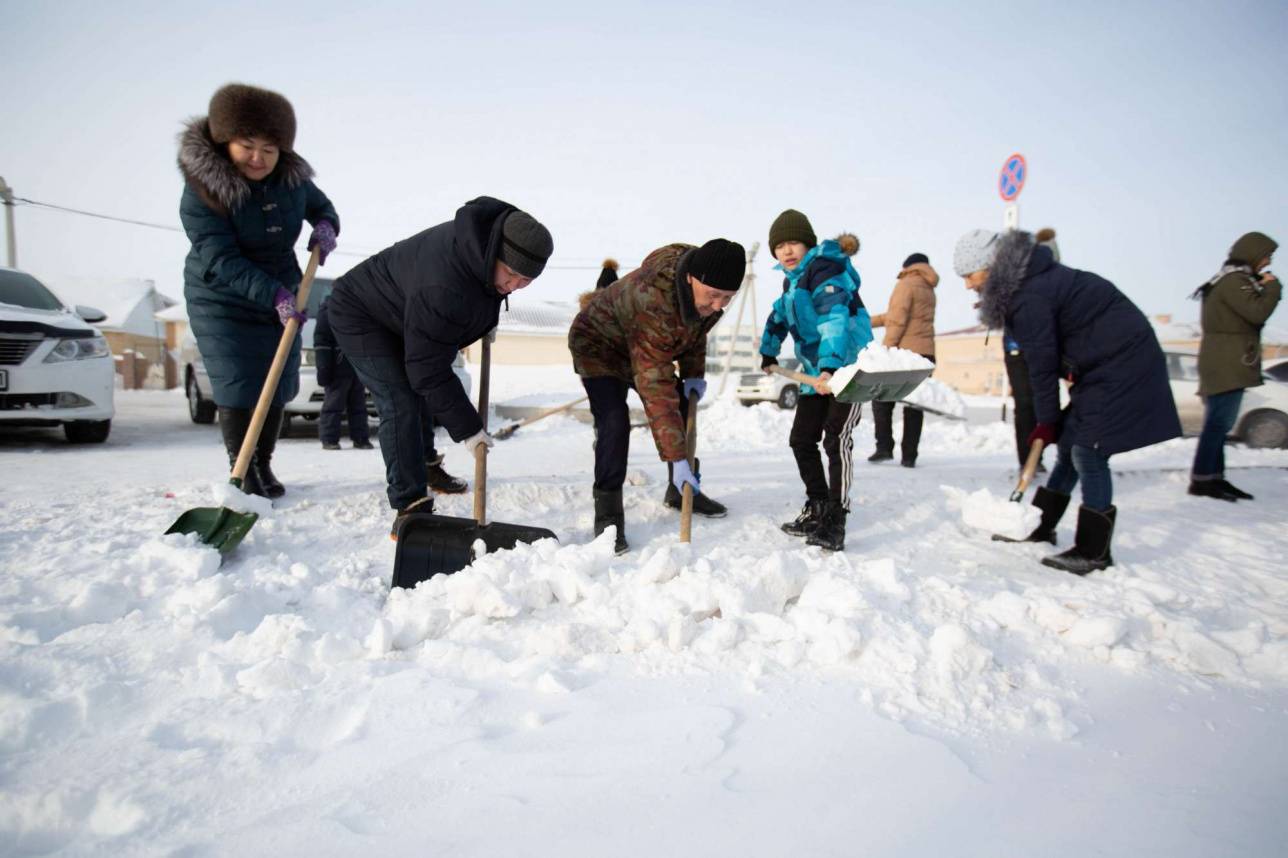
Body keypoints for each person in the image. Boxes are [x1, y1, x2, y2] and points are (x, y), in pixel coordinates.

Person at [956, 227, 1181, 575]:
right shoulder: (1028, 284)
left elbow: (1041, 367)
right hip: (1099, 366)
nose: (968, 284)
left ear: (991, 265)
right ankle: (1040, 525)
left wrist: (1045, 422)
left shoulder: (1030, 296)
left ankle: (1094, 551)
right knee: (1071, 447)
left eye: (970, 274)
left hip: (1122, 365)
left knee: (1089, 449)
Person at [326, 197, 552, 534]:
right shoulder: (444, 283)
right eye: (511, 274)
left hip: (402, 313)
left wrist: (484, 321)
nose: (514, 286)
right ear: (494, 253)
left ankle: (427, 465)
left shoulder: (483, 256)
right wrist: (469, 429)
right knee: (400, 399)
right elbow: (427, 369)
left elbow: (473, 301)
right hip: (360, 312)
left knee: (419, 395)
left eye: (526, 281)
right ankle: (411, 507)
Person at [178, 83, 339, 499]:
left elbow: (322, 206)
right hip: (221, 296)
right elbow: (220, 258)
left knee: (278, 379)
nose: (258, 158)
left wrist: (325, 227)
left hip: (281, 289)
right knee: (240, 382)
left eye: (269, 149)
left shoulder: (291, 178)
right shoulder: (202, 191)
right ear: (223, 141)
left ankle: (263, 464)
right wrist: (274, 295)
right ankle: (243, 470)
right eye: (247, 146)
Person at [569, 239, 745, 554]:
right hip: (599, 345)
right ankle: (608, 515)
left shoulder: (704, 292)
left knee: (679, 402)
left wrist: (693, 372)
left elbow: (693, 332)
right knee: (614, 422)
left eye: (728, 298)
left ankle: (680, 492)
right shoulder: (655, 301)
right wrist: (676, 458)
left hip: (644, 343)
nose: (719, 305)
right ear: (692, 277)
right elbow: (654, 384)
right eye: (714, 295)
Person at [758, 209, 872, 551]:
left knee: (836, 440)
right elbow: (779, 315)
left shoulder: (825, 270)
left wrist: (832, 367)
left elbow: (834, 319)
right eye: (779, 246)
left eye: (793, 242)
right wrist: (769, 350)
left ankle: (835, 518)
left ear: (807, 244)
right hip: (815, 371)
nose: (786, 251)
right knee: (801, 439)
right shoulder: (791, 281)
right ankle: (818, 505)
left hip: (847, 369)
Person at [1189, 231, 1281, 501]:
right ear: (1253, 253)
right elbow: (1257, 312)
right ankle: (1204, 479)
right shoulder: (1234, 281)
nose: (1267, 262)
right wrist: (1273, 286)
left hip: (1225, 358)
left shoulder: (1232, 279)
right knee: (1218, 423)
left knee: (1219, 424)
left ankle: (1213, 478)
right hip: (1226, 361)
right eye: (1266, 256)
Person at [868, 252, 938, 467]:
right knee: (914, 406)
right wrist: (868, 321)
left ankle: (884, 447)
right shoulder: (928, 287)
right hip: (925, 353)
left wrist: (886, 351)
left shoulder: (906, 284)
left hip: (905, 354)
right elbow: (898, 316)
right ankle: (909, 456)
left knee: (881, 399)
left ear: (907, 266)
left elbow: (897, 320)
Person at [1000, 228, 1059, 471]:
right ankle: (1030, 461)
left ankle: (1034, 458)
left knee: (1034, 403)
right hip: (1018, 346)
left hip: (1031, 345)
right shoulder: (1015, 273)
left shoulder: (1043, 272)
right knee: (1027, 404)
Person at [313, 298, 372, 451]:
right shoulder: (328, 310)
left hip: (356, 366)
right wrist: (324, 368)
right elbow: (321, 341)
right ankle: (329, 439)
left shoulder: (357, 306)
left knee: (358, 405)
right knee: (333, 404)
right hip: (337, 368)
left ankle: (361, 438)